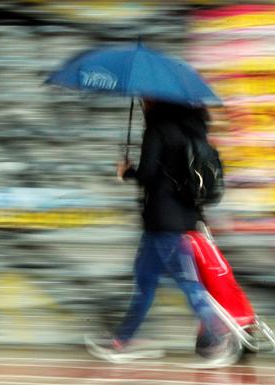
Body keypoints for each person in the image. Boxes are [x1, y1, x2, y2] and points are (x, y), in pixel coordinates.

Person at [85, 99, 240, 368]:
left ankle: (220, 340)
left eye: (147, 98)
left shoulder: (158, 130)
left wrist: (127, 172)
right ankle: (122, 341)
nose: (143, 101)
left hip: (165, 222)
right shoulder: (192, 129)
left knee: (189, 285)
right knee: (144, 284)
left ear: (157, 102)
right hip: (175, 220)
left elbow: (147, 174)